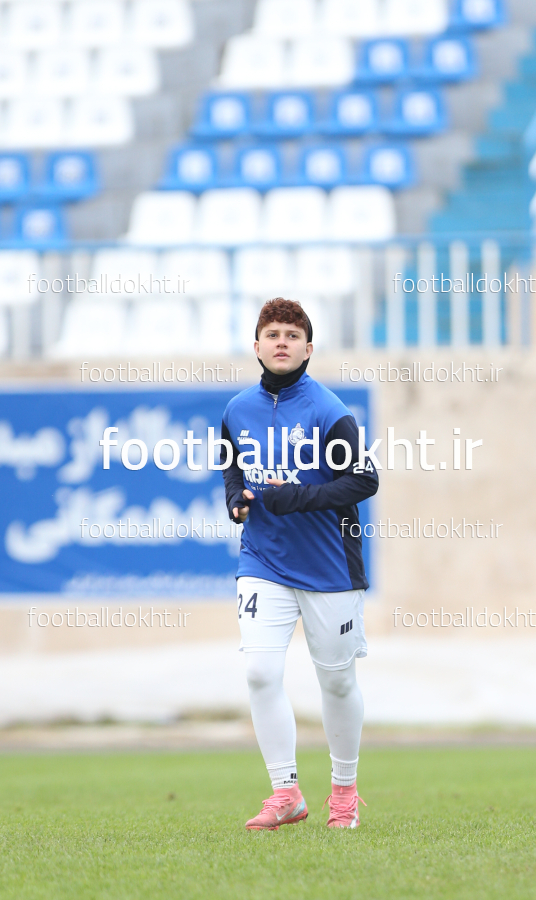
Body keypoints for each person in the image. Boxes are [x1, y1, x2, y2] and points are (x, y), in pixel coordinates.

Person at [220, 297, 379, 830]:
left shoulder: (329, 411)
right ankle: (285, 792)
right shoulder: (237, 409)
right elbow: (232, 464)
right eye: (273, 334)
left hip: (329, 567)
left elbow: (364, 480)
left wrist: (299, 498)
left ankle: (344, 794)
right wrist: (236, 499)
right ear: (257, 345)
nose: (282, 342)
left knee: (337, 683)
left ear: (308, 349)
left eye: (292, 335)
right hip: (263, 560)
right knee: (260, 672)